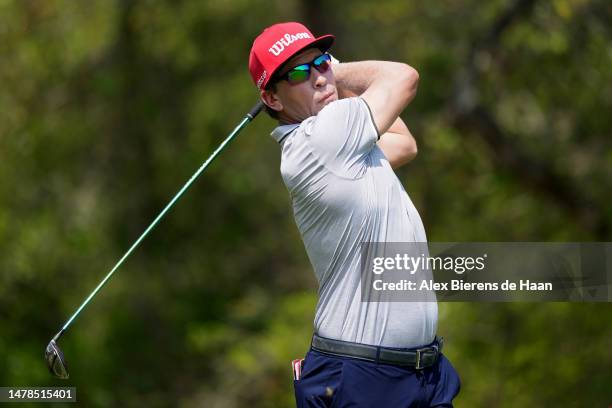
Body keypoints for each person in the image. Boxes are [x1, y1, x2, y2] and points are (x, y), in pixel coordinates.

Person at [248, 22, 461, 407]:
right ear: (272, 99)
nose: (316, 77)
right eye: (298, 72)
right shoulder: (321, 138)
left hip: (421, 374)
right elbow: (403, 77)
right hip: (362, 378)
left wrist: (323, 77)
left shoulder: (343, 144)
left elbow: (404, 144)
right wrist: (335, 72)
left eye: (321, 62)